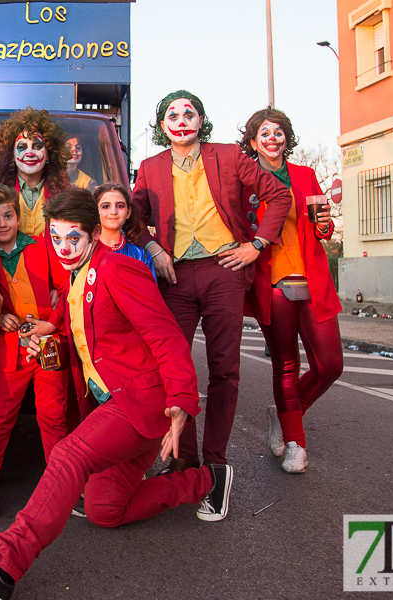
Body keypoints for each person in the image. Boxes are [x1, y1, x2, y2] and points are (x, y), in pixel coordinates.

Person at [0, 189, 233, 600]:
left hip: (143, 401)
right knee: (105, 510)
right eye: (56, 238)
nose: (64, 248)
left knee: (70, 455)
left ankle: (3, 563)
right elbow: (87, 327)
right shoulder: (79, 274)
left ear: (93, 234)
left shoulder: (120, 268)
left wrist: (180, 400)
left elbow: (165, 336)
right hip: (114, 400)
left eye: (74, 238)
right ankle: (207, 483)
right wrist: (42, 334)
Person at [131, 90, 292, 473]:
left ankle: (216, 458)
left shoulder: (229, 156)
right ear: (162, 126)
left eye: (190, 113)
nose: (182, 119)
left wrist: (256, 245)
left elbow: (279, 194)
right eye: (173, 114)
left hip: (225, 272)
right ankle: (185, 457)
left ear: (201, 121)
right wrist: (153, 247)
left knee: (224, 369)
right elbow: (132, 218)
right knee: (173, 368)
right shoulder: (150, 167)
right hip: (176, 277)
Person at [238, 108, 343, 473]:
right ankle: (296, 443)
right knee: (286, 364)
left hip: (312, 280)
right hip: (273, 284)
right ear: (253, 142)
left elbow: (322, 228)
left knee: (330, 365)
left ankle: (284, 413)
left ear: (287, 138)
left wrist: (327, 224)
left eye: (278, 132)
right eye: (264, 133)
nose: (272, 138)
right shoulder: (245, 182)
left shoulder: (305, 175)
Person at [0, 184, 69, 519]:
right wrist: (0, 320)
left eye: (8, 215)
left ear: (18, 216)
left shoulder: (41, 246)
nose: (2, 223)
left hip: (46, 346)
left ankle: (61, 485)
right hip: (9, 351)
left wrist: (53, 321)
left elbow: (66, 286)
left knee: (53, 416)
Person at [0, 108, 70, 237]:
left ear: (48, 155)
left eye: (37, 146)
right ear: (12, 154)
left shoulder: (65, 196)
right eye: (22, 147)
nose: (30, 153)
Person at [93, 183, 158, 281]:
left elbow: (150, 294)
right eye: (106, 206)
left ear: (128, 212)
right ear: (95, 211)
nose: (113, 212)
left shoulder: (140, 255)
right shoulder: (86, 252)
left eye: (120, 206)